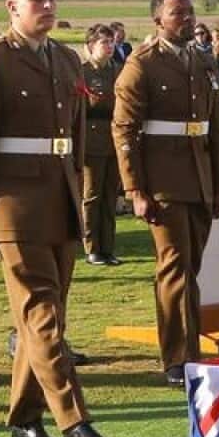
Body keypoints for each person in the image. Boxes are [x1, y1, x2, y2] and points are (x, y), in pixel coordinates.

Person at [0, 0, 116, 437]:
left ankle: (25, 418)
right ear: (12, 6)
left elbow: (72, 137)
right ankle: (75, 423)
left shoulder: (67, 61)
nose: (47, 7)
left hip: (59, 200)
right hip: (13, 205)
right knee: (41, 312)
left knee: (47, 318)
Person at [113, 0, 219, 388]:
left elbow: (215, 130)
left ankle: (188, 350)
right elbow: (124, 130)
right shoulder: (142, 65)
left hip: (199, 179)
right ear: (158, 21)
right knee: (175, 268)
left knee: (190, 269)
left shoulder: (204, 61)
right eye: (177, 13)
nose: (188, 18)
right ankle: (179, 358)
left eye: (190, 11)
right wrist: (135, 190)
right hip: (163, 182)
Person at [80, 25, 122, 267]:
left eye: (111, 42)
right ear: (90, 46)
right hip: (92, 142)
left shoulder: (119, 71)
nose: (109, 46)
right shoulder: (83, 73)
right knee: (92, 196)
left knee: (109, 195)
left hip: (114, 141)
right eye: (103, 42)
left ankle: (108, 247)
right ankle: (92, 247)